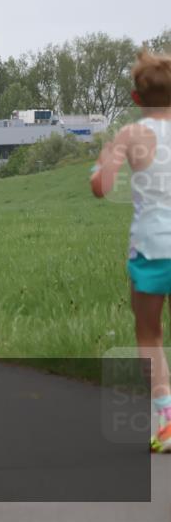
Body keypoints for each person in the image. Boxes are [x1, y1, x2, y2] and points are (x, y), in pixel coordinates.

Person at [91, 50, 171, 453]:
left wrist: (104, 160)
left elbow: (101, 187)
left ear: (137, 99)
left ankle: (165, 421)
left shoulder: (130, 135)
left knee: (150, 334)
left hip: (151, 248)